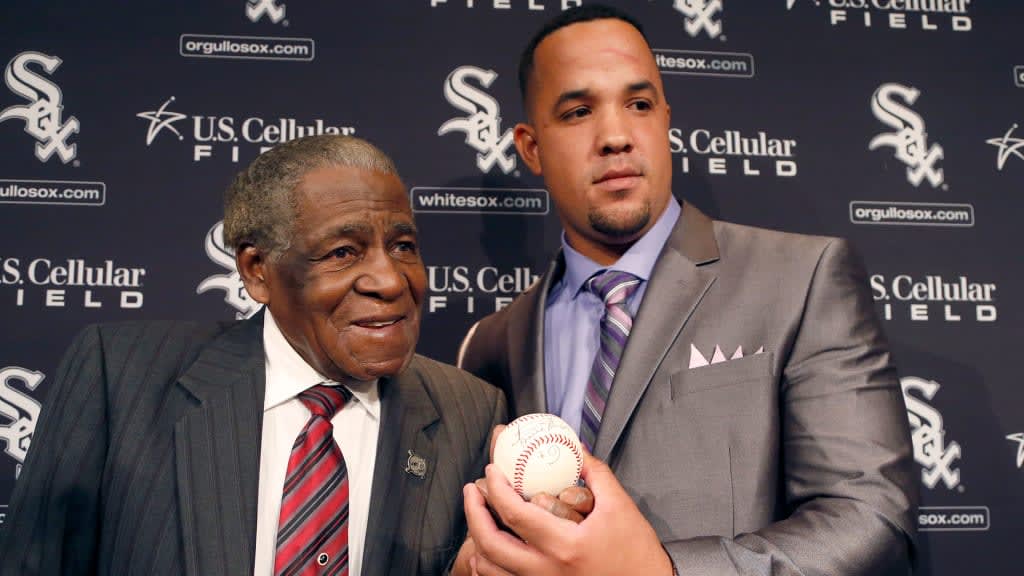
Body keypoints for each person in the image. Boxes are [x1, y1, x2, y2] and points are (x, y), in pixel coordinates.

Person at [455, 5, 917, 575]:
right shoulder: (491, 344)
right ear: (530, 147)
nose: (617, 136)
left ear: (666, 119)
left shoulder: (803, 277)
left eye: (639, 104)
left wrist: (658, 571)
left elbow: (872, 519)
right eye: (578, 111)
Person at [0, 135, 506, 576]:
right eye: (342, 253)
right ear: (257, 270)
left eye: (402, 246)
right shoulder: (120, 375)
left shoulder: (470, 411)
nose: (392, 280)